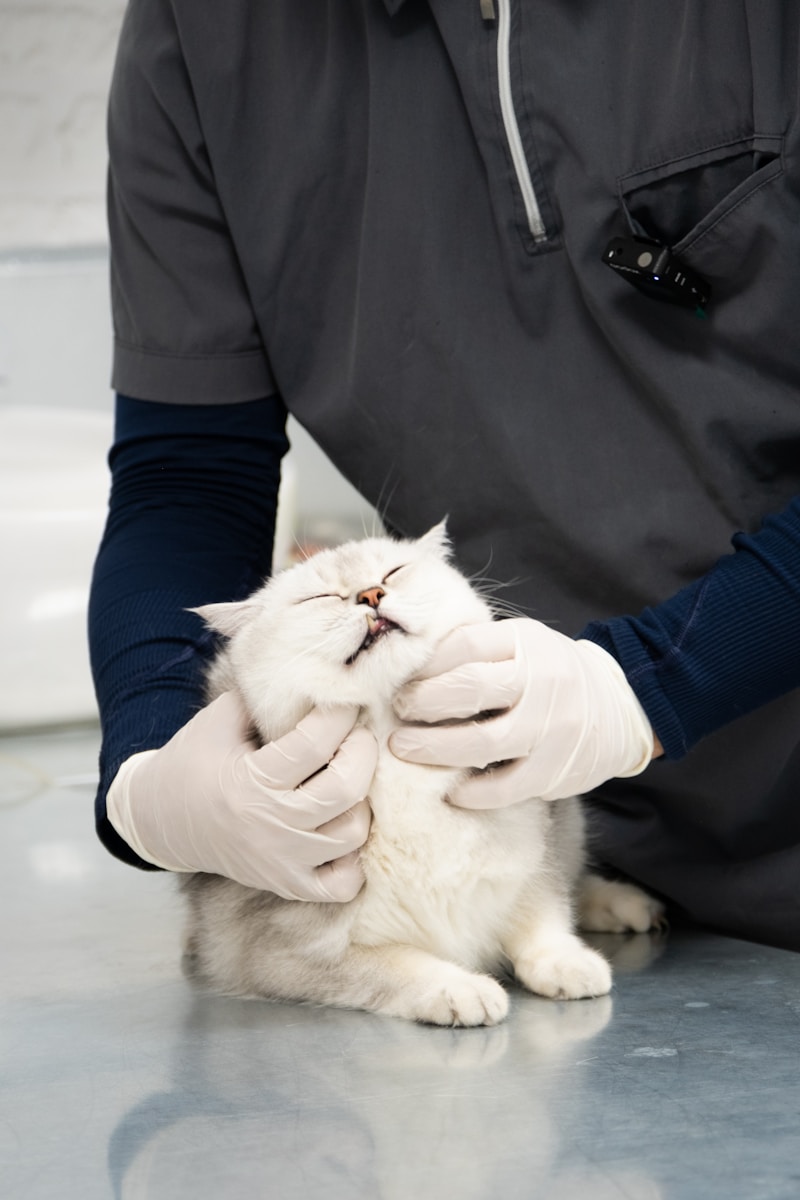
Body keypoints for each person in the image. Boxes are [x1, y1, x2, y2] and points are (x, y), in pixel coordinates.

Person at [90, 0, 800, 950]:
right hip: (583, 877)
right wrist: (149, 768)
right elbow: (189, 475)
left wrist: (648, 684)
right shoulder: (201, 34)